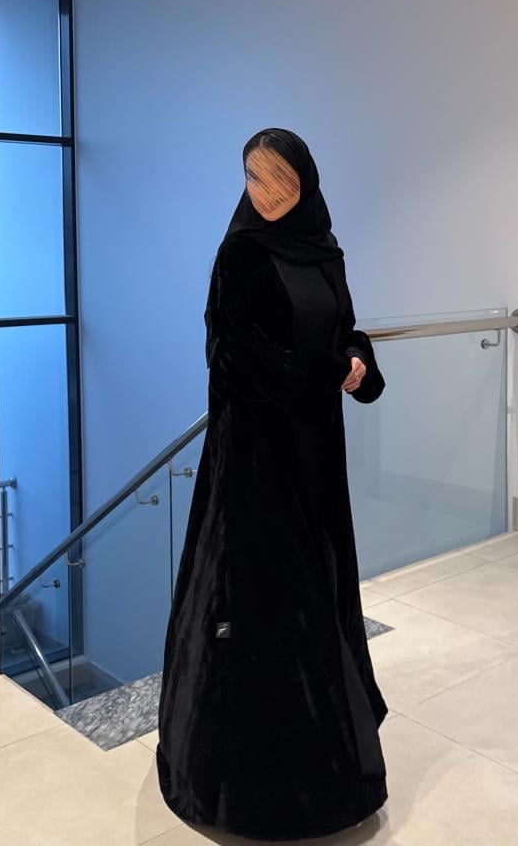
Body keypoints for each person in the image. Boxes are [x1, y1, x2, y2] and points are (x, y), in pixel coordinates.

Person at [156, 127, 388, 840]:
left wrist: (357, 361)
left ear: (305, 180)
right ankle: (245, 790)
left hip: (315, 453)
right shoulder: (241, 256)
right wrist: (324, 373)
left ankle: (335, 775)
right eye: (253, 178)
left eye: (278, 177)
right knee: (263, 605)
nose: (265, 191)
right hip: (256, 461)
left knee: (319, 593)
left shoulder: (325, 250)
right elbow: (234, 358)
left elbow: (345, 327)